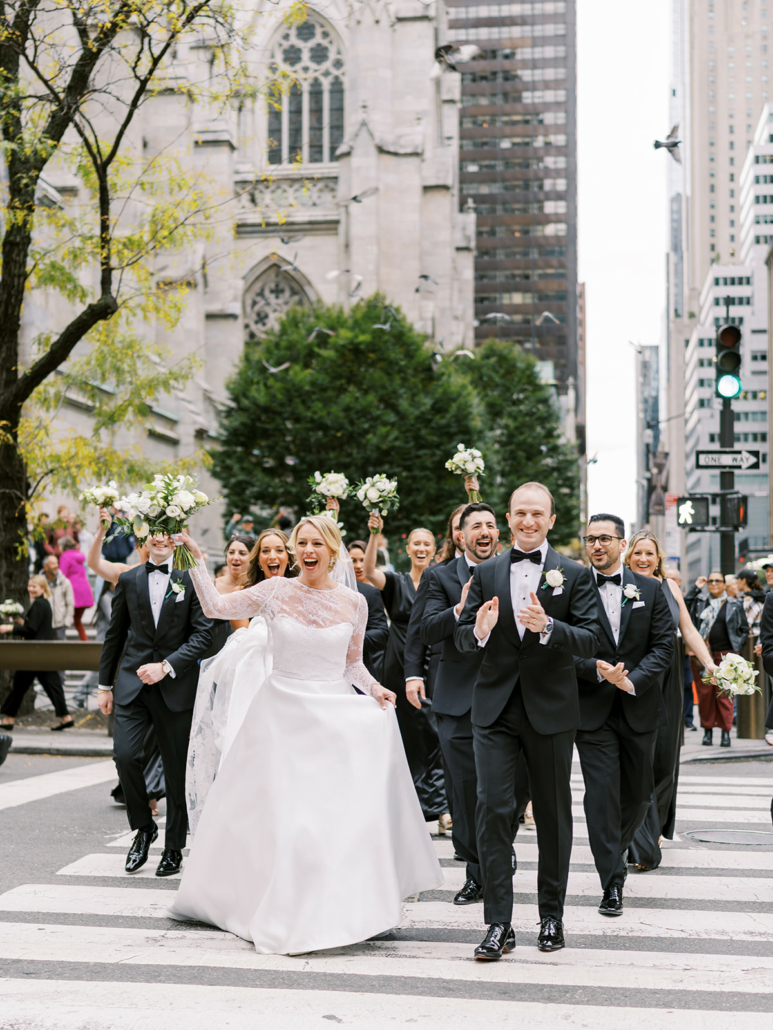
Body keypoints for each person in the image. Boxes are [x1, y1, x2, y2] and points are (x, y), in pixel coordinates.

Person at [169, 515, 443, 954]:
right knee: (289, 819)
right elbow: (217, 609)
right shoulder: (276, 591)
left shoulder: (355, 604)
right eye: (303, 543)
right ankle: (278, 906)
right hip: (279, 715)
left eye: (317, 543)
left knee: (327, 820)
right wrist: (198, 561)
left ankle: (337, 905)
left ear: (333, 550)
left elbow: (352, 664)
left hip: (332, 720)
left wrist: (375, 688)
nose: (309, 551)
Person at [455, 482, 600, 959]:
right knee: (493, 810)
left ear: (552, 520)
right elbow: (460, 638)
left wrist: (551, 628)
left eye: (538, 513)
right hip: (495, 710)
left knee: (554, 816)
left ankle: (551, 917)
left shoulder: (575, 574)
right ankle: (499, 923)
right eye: (520, 513)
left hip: (551, 710)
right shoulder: (489, 571)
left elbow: (592, 640)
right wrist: (475, 632)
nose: (528, 521)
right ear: (509, 517)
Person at [420, 501, 526, 906]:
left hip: (510, 697)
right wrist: (459, 609)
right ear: (460, 535)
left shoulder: (514, 571)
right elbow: (427, 630)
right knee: (464, 793)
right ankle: (478, 869)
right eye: (475, 526)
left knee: (510, 787)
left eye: (490, 525)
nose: (484, 531)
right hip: (458, 700)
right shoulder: (439, 576)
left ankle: (497, 847)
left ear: (498, 533)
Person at [97, 530, 213, 878]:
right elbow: (115, 634)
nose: (160, 539)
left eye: (166, 534)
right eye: (153, 534)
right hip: (132, 686)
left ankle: (174, 847)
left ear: (175, 539)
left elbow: (203, 634)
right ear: (143, 539)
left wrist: (167, 666)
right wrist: (105, 685)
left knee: (176, 772)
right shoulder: (129, 579)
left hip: (174, 687)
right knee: (125, 756)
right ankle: (144, 827)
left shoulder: (191, 578)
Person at [573, 517, 674, 914]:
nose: (596, 545)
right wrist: (594, 668)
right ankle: (611, 881)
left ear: (622, 542)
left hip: (638, 705)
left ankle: (614, 850)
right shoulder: (573, 588)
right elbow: (562, 644)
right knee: (600, 797)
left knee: (637, 795)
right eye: (590, 539)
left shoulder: (651, 588)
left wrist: (632, 681)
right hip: (592, 711)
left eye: (604, 538)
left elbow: (664, 646)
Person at [186, 527, 297, 832]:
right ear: (258, 559)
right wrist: (197, 557)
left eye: (279, 549)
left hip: (295, 681)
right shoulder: (248, 595)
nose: (272, 556)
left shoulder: (303, 590)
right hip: (256, 678)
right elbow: (218, 611)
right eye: (265, 550)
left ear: (289, 555)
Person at [625, 532, 717, 872]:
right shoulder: (621, 586)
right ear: (629, 556)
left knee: (665, 761)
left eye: (650, 553)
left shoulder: (670, 588)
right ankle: (641, 841)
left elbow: (689, 630)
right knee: (639, 762)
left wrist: (710, 665)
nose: (644, 558)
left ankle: (655, 829)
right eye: (638, 553)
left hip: (670, 682)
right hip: (635, 680)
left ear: (659, 557)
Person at [364, 511, 449, 827]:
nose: (422, 548)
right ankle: (406, 804)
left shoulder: (440, 581)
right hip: (398, 661)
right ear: (408, 548)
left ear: (434, 549)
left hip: (433, 659)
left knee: (435, 733)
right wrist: (375, 534)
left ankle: (441, 806)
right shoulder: (396, 582)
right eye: (416, 543)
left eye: (427, 543)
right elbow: (370, 570)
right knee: (404, 734)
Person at [404, 502, 468, 837]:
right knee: (451, 757)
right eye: (460, 525)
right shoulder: (438, 574)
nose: (466, 531)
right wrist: (413, 673)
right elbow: (417, 630)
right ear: (454, 533)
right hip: (447, 676)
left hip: (497, 679)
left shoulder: (504, 569)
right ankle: (458, 830)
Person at [0, 575, 75, 731]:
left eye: (34, 587)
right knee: (52, 686)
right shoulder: (43, 604)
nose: (31, 589)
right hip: (42, 654)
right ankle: (65, 717)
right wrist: (19, 621)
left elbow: (31, 629)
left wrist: (9, 628)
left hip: (34, 655)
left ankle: (8, 719)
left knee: (20, 687)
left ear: (43, 588)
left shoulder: (39, 604)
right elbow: (33, 626)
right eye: (30, 586)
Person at [696, 571, 749, 747]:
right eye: (711, 581)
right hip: (705, 654)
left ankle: (726, 734)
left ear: (724, 584)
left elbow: (744, 629)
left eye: (718, 580)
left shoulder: (734, 604)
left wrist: (737, 650)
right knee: (705, 696)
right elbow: (688, 612)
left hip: (728, 656)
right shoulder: (701, 602)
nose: (714, 584)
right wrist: (696, 588)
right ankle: (708, 732)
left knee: (726, 694)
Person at [348, 539, 389, 681]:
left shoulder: (372, 591)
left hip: (366, 657)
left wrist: (350, 639)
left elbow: (381, 632)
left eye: (362, 560)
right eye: (353, 560)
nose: (358, 566)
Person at [58, 535, 95, 641]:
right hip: (84, 591)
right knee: (77, 621)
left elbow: (62, 574)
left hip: (72, 592)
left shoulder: (65, 556)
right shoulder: (79, 555)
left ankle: (61, 642)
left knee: (63, 620)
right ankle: (85, 641)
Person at [42, 555, 74, 641]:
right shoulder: (39, 583)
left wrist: (67, 622)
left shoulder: (65, 582)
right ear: (46, 566)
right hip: (43, 626)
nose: (56, 566)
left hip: (60, 626)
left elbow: (70, 603)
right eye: (53, 564)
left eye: (57, 563)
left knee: (61, 653)